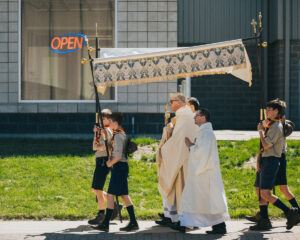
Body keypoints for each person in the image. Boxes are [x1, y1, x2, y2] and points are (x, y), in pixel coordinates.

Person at [246, 99, 300, 224]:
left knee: (279, 189)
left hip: (275, 159)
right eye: (266, 110)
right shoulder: (270, 125)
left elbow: (267, 145)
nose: (266, 112)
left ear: (277, 111)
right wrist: (259, 158)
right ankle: (264, 216)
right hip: (267, 158)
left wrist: (261, 131)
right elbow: (264, 146)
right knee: (260, 189)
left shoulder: (277, 126)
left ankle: (293, 212)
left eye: (269, 110)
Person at [177, 108, 230, 234]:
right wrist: (193, 147)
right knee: (206, 200)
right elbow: (201, 150)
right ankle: (193, 223)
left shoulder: (206, 133)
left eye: (196, 115)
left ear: (203, 117)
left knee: (208, 199)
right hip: (204, 171)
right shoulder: (204, 132)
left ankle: (218, 226)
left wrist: (190, 145)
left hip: (205, 172)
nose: (194, 118)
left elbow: (203, 153)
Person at [92, 112, 139, 232]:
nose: (109, 124)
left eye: (111, 122)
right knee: (124, 195)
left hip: (119, 167)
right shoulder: (119, 133)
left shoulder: (118, 136)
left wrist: (110, 163)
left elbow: (117, 156)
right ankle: (133, 222)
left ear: (116, 123)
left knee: (111, 194)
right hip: (122, 167)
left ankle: (105, 224)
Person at [156, 93, 197, 226]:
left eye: (172, 102)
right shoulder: (183, 114)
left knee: (180, 189)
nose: (170, 104)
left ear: (179, 102)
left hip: (181, 159)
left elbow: (179, 141)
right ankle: (171, 217)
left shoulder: (184, 115)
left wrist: (163, 149)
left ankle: (181, 220)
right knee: (175, 189)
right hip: (182, 157)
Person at [88, 109, 113, 225]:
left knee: (98, 189)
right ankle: (113, 203)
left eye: (103, 119)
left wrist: (100, 134)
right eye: (100, 118)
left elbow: (103, 148)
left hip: (104, 160)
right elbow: (94, 147)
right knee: (94, 189)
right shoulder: (100, 131)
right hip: (99, 160)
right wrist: (96, 133)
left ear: (109, 120)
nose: (100, 121)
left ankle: (101, 213)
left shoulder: (108, 130)